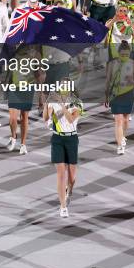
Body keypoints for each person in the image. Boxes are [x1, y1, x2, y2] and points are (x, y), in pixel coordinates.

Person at [43, 86, 83, 217]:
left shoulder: (77, 103)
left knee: (71, 177)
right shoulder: (54, 102)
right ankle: (63, 206)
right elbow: (45, 118)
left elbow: (71, 119)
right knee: (61, 173)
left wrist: (61, 105)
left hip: (71, 139)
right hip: (57, 139)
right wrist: (47, 102)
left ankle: (69, 190)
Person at [105, 42, 134, 155]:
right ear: (118, 53)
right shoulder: (112, 64)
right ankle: (120, 145)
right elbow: (107, 81)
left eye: (127, 55)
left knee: (125, 120)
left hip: (128, 94)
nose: (124, 57)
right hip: (115, 95)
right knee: (118, 120)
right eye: (122, 55)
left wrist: (132, 81)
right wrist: (106, 96)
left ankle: (123, 136)